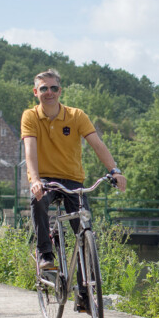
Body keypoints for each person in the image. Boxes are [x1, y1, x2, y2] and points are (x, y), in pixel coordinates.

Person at [21, 69, 127, 299]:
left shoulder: (76, 116)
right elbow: (30, 151)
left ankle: (84, 293)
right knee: (38, 200)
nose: (49, 92)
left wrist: (115, 171)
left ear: (60, 90)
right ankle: (46, 254)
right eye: (44, 88)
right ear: (35, 92)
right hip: (46, 179)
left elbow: (97, 144)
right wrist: (35, 180)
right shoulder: (30, 116)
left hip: (72, 179)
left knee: (84, 233)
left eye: (54, 88)